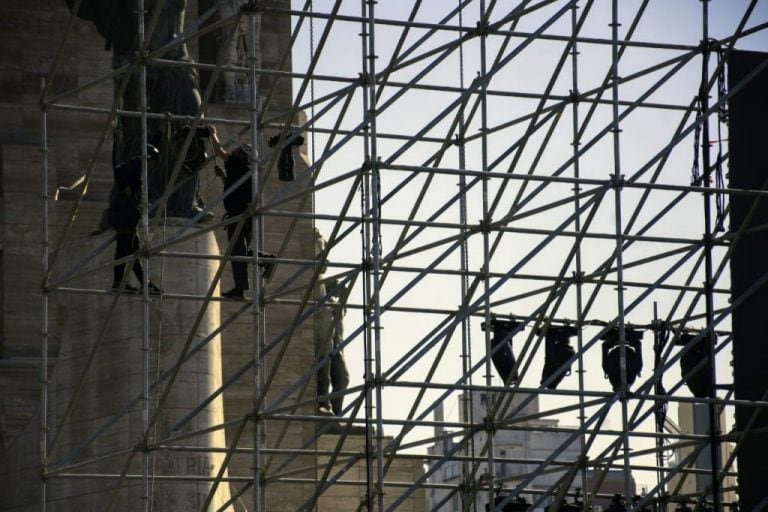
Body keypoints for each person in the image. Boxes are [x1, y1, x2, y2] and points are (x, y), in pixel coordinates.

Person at [108, 146, 163, 294]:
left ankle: (145, 284)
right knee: (124, 250)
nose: (152, 167)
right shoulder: (133, 167)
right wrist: (130, 194)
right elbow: (119, 172)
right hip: (125, 215)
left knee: (133, 251)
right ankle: (119, 283)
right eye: (152, 163)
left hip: (127, 214)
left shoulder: (135, 167)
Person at [314, 228, 350, 416]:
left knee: (343, 378)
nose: (325, 260)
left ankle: (335, 413)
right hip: (323, 338)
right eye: (321, 253)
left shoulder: (321, 282)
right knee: (324, 369)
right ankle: (325, 405)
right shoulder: (312, 281)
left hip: (334, 342)